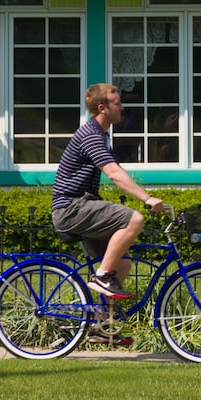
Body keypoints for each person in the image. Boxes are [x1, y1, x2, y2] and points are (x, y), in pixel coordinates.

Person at [52, 83, 165, 313]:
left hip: (83, 204)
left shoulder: (101, 136)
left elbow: (117, 171)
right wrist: (147, 198)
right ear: (102, 108)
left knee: (122, 264)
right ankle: (101, 276)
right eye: (117, 103)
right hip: (71, 208)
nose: (122, 107)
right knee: (135, 219)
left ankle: (103, 326)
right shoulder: (91, 135)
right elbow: (113, 173)